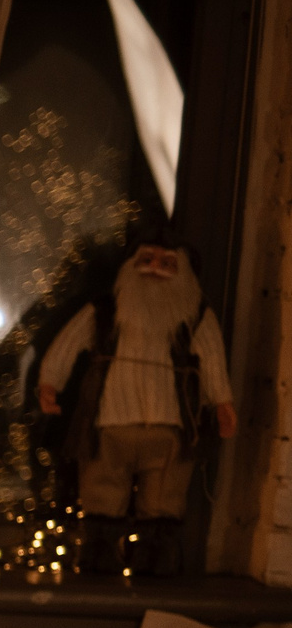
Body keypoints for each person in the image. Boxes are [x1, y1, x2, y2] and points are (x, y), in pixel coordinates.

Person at [36, 229, 238, 578]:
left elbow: (213, 360)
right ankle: (99, 561)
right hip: (110, 424)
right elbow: (67, 345)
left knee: (164, 500)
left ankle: (155, 566)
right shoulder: (104, 311)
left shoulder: (195, 316)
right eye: (146, 261)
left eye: (167, 264)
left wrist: (222, 401)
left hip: (170, 427)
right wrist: (50, 382)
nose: (154, 269)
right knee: (102, 492)